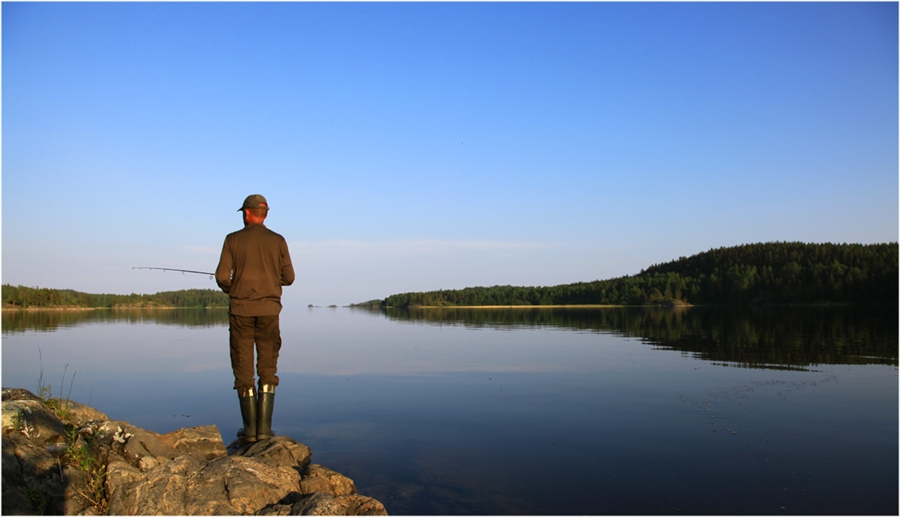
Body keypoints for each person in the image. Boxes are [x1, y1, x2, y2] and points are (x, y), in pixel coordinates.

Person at [216, 194, 295, 443]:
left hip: (240, 311)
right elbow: (289, 278)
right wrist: (270, 280)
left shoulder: (232, 240)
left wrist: (234, 289)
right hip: (270, 312)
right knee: (267, 367)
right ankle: (264, 430)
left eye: (243, 212)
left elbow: (221, 276)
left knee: (243, 365)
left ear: (247, 213)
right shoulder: (278, 240)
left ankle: (249, 432)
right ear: (265, 214)